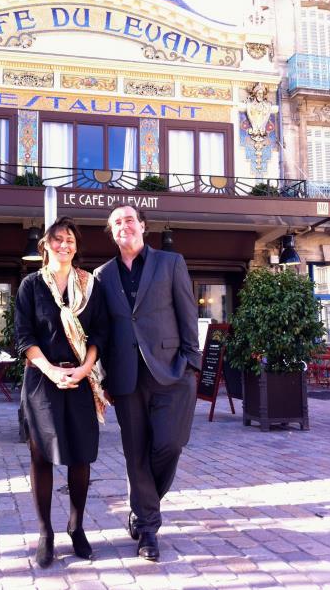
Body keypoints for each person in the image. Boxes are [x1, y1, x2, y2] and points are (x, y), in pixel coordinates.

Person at [94, 205, 201, 562]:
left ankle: (143, 503)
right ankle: (147, 529)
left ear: (142, 226)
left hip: (172, 372)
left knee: (170, 444)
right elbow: (104, 332)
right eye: (116, 223)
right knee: (135, 453)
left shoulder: (171, 263)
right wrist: (105, 376)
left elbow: (188, 314)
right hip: (126, 379)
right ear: (112, 233)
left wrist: (192, 364)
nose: (124, 226)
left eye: (129, 219)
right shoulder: (102, 275)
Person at [14, 216, 108, 568]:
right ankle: (45, 533)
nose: (64, 245)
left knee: (81, 457)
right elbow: (25, 337)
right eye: (57, 239)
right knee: (41, 456)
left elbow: (100, 332)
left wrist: (84, 370)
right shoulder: (30, 286)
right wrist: (52, 370)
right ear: (45, 246)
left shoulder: (90, 285)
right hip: (42, 379)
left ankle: (76, 526)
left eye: (69, 239)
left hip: (81, 379)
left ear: (76, 246)